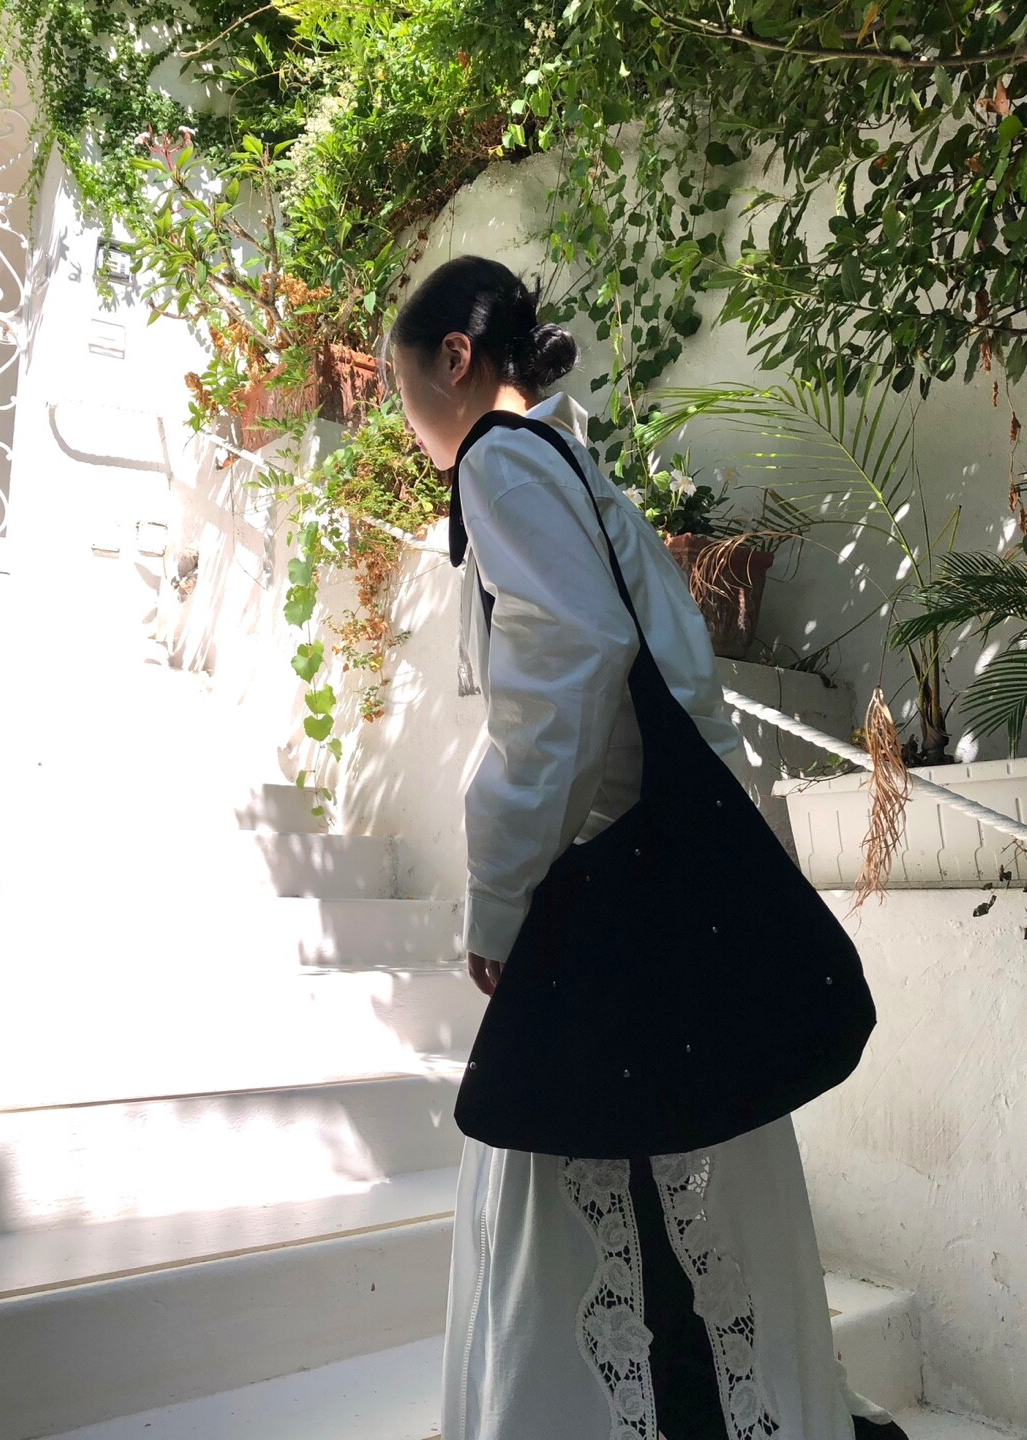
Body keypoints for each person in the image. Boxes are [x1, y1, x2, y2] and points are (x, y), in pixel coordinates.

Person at [388, 254, 908, 1440]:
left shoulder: (500, 461)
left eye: (401, 388)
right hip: (661, 874)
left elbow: (569, 666)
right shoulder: (574, 461)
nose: (405, 419)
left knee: (572, 1192)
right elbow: (655, 667)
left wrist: (502, 894)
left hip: (600, 880)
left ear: (456, 360)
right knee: (689, 1182)